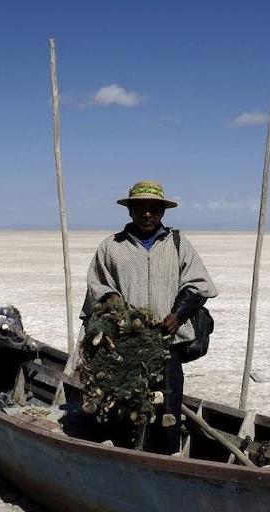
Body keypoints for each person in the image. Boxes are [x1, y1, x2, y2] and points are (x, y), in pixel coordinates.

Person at [81, 180, 218, 453]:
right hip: (123, 348)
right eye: (140, 208)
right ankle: (122, 456)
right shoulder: (111, 247)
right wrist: (113, 301)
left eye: (153, 208)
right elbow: (98, 287)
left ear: (162, 212)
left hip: (168, 346)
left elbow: (199, 284)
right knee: (122, 405)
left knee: (168, 409)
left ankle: (167, 459)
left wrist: (177, 315)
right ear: (130, 211)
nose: (146, 214)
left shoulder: (178, 244)